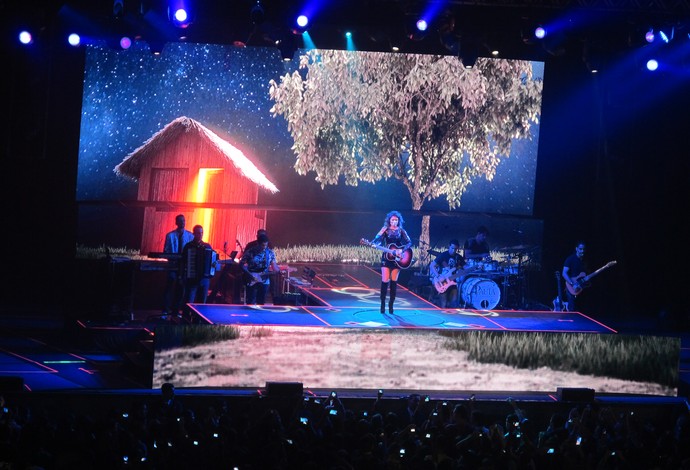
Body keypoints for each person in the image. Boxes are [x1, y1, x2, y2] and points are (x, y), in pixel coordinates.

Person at [370, 210, 412, 314]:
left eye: (396, 220)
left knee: (394, 282)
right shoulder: (385, 229)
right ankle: (382, 303)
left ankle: (391, 304)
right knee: (385, 280)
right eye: (392, 220)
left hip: (397, 259)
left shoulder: (401, 230)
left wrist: (401, 250)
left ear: (399, 221)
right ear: (389, 220)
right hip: (386, 257)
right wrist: (374, 243)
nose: (394, 221)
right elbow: (377, 239)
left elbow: (409, 242)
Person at [162, 214, 194, 317]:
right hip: (172, 266)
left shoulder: (190, 236)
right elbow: (166, 251)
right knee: (169, 288)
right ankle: (166, 310)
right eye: (180, 221)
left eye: (184, 221)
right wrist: (173, 258)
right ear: (176, 222)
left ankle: (176, 311)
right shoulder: (170, 235)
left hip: (183, 267)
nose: (182, 222)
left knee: (181, 289)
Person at [180, 225, 216, 308]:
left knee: (202, 304)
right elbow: (183, 262)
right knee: (189, 303)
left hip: (205, 279)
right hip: (192, 278)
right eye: (198, 233)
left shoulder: (207, 246)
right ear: (194, 234)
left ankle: (198, 321)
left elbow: (213, 261)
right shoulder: (188, 246)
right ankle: (186, 320)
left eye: (201, 233)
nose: (200, 235)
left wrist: (213, 267)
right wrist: (181, 276)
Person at [240, 233, 279, 305]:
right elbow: (241, 264)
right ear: (257, 243)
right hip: (251, 278)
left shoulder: (270, 253)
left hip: (264, 280)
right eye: (262, 245)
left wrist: (279, 270)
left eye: (266, 245)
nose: (264, 247)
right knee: (250, 302)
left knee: (261, 302)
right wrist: (250, 275)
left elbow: (274, 266)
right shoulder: (250, 252)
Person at [429, 239, 467, 308]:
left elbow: (465, 267)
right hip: (443, 281)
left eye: (455, 249)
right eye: (452, 248)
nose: (453, 250)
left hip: (453, 282)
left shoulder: (458, 257)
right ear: (449, 246)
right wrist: (438, 276)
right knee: (443, 303)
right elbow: (432, 265)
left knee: (454, 303)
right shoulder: (443, 255)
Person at [562, 241, 587, 312]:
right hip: (571, 288)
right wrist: (572, 284)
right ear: (576, 249)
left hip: (581, 287)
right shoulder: (570, 259)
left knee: (581, 311)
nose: (582, 251)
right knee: (572, 309)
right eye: (580, 249)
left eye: (584, 249)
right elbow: (564, 273)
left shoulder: (584, 261)